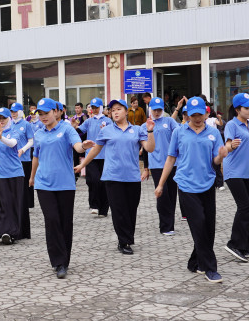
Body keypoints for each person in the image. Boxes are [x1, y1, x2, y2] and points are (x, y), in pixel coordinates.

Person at [155, 97, 229, 283]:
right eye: (192, 115)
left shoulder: (213, 133)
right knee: (198, 223)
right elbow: (171, 159)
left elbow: (215, 162)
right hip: (186, 185)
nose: (197, 118)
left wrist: (221, 156)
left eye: (200, 114)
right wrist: (161, 184)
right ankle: (210, 268)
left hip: (207, 183)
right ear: (186, 114)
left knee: (208, 227)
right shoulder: (179, 132)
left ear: (206, 113)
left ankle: (194, 262)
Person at [76, 99, 154, 254]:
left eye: (119, 109)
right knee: (119, 210)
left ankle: (128, 238)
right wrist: (82, 165)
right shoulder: (106, 130)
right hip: (112, 177)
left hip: (132, 177)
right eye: (112, 110)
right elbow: (96, 150)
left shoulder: (138, 130)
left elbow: (150, 148)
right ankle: (123, 242)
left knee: (131, 210)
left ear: (126, 111)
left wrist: (150, 131)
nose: (115, 112)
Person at [30, 98, 85, 278]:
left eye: (46, 113)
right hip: (43, 183)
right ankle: (58, 261)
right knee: (52, 220)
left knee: (65, 222)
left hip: (65, 184)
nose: (43, 117)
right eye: (40, 114)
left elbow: (77, 146)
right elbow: (36, 157)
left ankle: (64, 260)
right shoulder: (38, 133)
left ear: (56, 111)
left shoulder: (67, 129)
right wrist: (31, 177)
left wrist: (83, 146)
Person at [221, 93, 249, 262]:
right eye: (247, 107)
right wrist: (231, 145)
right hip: (235, 172)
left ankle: (245, 246)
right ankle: (234, 244)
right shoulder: (232, 124)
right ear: (238, 110)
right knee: (244, 207)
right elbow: (227, 144)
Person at [0, 108, 30, 243]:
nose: (1, 121)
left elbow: (13, 143)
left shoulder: (14, 131)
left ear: (9, 119)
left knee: (13, 204)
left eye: (4, 118)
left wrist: (1, 137)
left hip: (14, 173)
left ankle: (13, 232)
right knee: (1, 204)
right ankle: (2, 231)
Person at [142, 97, 178, 236]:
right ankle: (165, 226)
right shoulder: (145, 125)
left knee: (172, 195)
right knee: (162, 194)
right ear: (150, 109)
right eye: (154, 110)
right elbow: (145, 149)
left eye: (159, 110)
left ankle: (171, 224)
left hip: (172, 163)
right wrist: (146, 168)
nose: (156, 112)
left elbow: (180, 134)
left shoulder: (169, 122)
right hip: (156, 164)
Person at [77, 97, 112, 217]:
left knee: (103, 183)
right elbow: (79, 132)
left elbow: (113, 135)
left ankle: (103, 209)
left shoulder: (108, 121)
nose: (95, 109)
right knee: (93, 181)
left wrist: (106, 130)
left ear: (101, 108)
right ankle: (94, 205)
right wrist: (73, 127)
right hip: (91, 156)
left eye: (97, 107)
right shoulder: (88, 121)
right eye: (93, 107)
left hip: (104, 155)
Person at [9, 103, 35, 209]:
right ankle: (15, 202)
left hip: (24, 159)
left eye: (15, 111)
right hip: (12, 158)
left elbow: (31, 141)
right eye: (12, 112)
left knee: (25, 182)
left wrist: (23, 150)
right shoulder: (9, 124)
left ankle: (27, 203)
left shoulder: (26, 124)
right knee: (13, 182)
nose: (13, 114)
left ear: (20, 112)